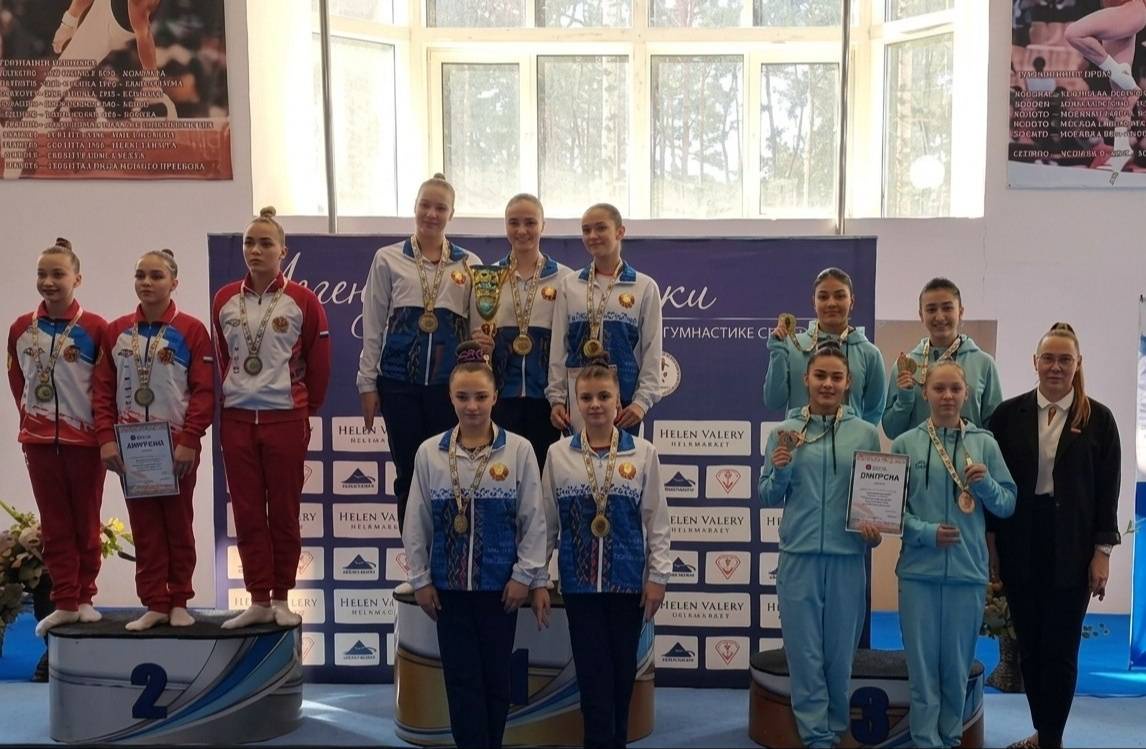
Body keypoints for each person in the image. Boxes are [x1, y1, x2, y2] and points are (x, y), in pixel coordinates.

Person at [402, 341, 549, 749]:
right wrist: (420, 579)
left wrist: (525, 577)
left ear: (496, 396)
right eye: (463, 397)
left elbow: (534, 519)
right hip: (448, 590)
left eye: (481, 397)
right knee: (461, 680)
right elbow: (416, 522)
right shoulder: (430, 453)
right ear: (450, 397)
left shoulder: (518, 450)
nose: (472, 406)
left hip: (500, 590)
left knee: (497, 681)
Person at [987, 323, 1121, 749]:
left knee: (1060, 651)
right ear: (1035, 362)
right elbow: (994, 485)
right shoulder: (1007, 416)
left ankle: (1050, 739)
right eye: (1049, 358)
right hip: (1021, 542)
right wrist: (992, 545)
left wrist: (1102, 553)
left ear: (1078, 364)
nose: (1056, 367)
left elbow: (1108, 493)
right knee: (1029, 649)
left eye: (1065, 359)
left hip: (1073, 546)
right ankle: (1045, 733)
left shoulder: (1099, 419)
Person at [541, 356, 671, 749]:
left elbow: (657, 521)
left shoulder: (643, 453)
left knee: (621, 679)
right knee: (592, 679)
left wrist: (657, 577)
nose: (595, 404)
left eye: (603, 396)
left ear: (619, 401)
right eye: (586, 397)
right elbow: (546, 523)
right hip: (579, 587)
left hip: (628, 585)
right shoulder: (558, 455)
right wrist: (538, 579)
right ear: (576, 403)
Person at [212, 207, 331, 629]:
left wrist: (302, 408)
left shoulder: (303, 300)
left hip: (286, 417)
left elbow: (319, 363)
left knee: (283, 511)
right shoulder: (224, 299)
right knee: (246, 513)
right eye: (249, 242)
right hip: (238, 418)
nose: (256, 250)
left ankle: (281, 597)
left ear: (283, 250)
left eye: (266, 243)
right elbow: (225, 358)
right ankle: (258, 598)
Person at [758, 342, 883, 748]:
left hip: (848, 558)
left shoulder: (865, 433)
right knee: (804, 653)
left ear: (848, 383)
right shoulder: (783, 432)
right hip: (799, 557)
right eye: (820, 376)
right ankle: (816, 737)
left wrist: (875, 530)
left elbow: (875, 497)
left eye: (836, 377)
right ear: (806, 379)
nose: (828, 384)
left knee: (839, 654)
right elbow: (767, 495)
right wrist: (780, 470)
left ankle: (835, 727)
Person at [892, 361, 1016, 749]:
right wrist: (925, 533)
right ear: (925, 392)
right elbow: (887, 511)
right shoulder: (905, 444)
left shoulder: (985, 444)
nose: (947, 396)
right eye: (939, 388)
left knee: (956, 668)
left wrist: (987, 486)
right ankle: (924, 740)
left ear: (966, 394)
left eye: (955, 389)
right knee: (922, 669)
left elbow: (1008, 503)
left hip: (967, 574)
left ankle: (949, 738)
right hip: (918, 573)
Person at [92, 249, 213, 631]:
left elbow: (204, 391)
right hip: (131, 446)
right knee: (144, 528)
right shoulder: (116, 332)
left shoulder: (191, 330)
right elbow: (102, 390)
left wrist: (190, 439)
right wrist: (106, 439)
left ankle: (179, 600)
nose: (146, 282)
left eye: (156, 276)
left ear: (174, 282)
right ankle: (155, 603)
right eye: (140, 275)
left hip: (176, 445)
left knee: (178, 524)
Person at [358, 174, 481, 537]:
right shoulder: (388, 259)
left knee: (449, 473)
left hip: (449, 388)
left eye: (440, 207)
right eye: (425, 205)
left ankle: (446, 555)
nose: (431, 213)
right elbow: (373, 325)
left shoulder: (469, 264)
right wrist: (367, 383)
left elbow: (476, 328)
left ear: (451, 214)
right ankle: (416, 561)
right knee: (409, 474)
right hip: (399, 384)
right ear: (414, 207)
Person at [6, 238, 109, 637]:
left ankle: (85, 598)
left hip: (84, 442)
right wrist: (33, 422)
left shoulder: (95, 328)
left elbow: (104, 388)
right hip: (38, 441)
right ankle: (64, 600)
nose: (48, 281)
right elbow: (18, 382)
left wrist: (99, 433)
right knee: (54, 524)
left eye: (58, 274)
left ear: (77, 279)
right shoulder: (21, 328)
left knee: (86, 521)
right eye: (42, 274)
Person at [1, 0, 174, 180]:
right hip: (105, 20)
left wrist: (152, 83)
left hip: (128, 27)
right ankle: (19, 143)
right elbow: (143, 34)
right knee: (59, 79)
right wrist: (69, 20)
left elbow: (144, 34)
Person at [470, 194, 572, 468]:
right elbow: (476, 334)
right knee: (502, 473)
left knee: (541, 474)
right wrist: (483, 344)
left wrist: (560, 397)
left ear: (543, 225)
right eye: (514, 222)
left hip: (546, 398)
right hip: (502, 396)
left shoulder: (565, 278)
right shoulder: (488, 277)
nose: (522, 230)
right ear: (505, 226)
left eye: (530, 222)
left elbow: (567, 342)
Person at [547, 204, 662, 436]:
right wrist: (557, 399)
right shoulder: (570, 285)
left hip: (625, 404)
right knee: (579, 459)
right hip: (579, 401)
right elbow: (558, 347)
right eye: (586, 230)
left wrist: (641, 403)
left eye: (600, 228)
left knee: (621, 459)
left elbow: (652, 350)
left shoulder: (644, 286)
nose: (592, 236)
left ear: (620, 232)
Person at [764, 267, 886, 426]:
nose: (831, 303)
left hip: (847, 442)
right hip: (799, 441)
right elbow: (773, 401)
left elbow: (874, 412)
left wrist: (855, 435)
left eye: (840, 296)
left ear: (852, 302)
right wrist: (778, 352)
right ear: (813, 302)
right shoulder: (792, 346)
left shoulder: (870, 354)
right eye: (823, 297)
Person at [883, 277, 1003, 439]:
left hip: (968, 455)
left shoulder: (984, 364)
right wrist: (904, 400)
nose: (939, 317)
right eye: (931, 309)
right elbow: (892, 431)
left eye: (947, 308)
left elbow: (996, 429)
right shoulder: (905, 367)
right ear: (921, 315)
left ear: (960, 312)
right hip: (917, 454)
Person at [1064, 0, 1146, 178]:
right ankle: (1122, 148)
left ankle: (1126, 81)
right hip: (1118, 12)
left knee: (1073, 33)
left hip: (1130, 10)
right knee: (1120, 93)